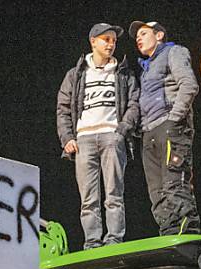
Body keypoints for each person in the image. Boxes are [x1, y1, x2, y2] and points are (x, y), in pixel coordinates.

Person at [57, 23, 140, 249]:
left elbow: (133, 104)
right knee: (88, 199)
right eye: (106, 39)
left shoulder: (123, 73)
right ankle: (92, 243)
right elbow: (63, 108)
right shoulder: (76, 74)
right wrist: (67, 138)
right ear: (93, 41)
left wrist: (122, 130)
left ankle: (114, 240)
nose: (111, 44)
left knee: (114, 194)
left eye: (113, 40)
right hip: (84, 139)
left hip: (111, 137)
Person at [130, 20, 201, 236]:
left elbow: (189, 84)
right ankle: (169, 232)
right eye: (136, 37)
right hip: (150, 131)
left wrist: (174, 118)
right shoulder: (147, 67)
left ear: (159, 35)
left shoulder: (174, 52)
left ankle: (186, 231)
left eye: (143, 33)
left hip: (170, 127)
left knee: (175, 182)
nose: (138, 39)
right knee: (157, 191)